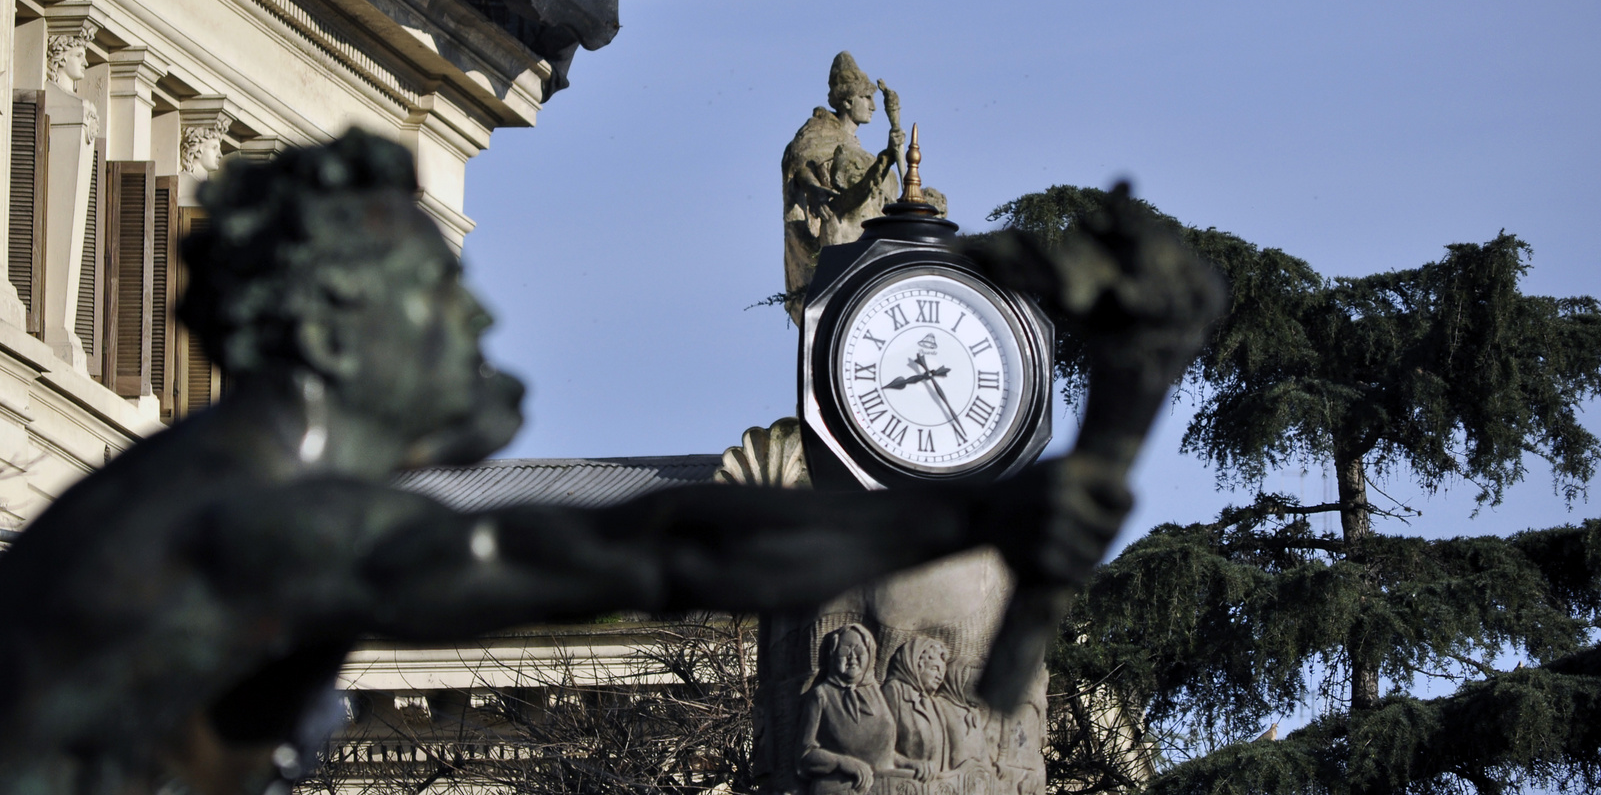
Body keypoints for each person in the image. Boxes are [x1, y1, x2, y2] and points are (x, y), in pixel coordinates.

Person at [0, 130, 1139, 795]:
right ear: (341, 328)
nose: (479, 328)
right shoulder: (258, 516)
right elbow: (611, 545)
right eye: (437, 296)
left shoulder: (234, 498)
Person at [783, 52, 946, 324]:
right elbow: (801, 164)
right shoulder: (818, 132)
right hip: (839, 241)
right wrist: (813, 188)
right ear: (848, 101)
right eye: (866, 98)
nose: (873, 106)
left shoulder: (857, 151)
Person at [798, 624, 898, 795]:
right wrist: (842, 763)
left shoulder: (877, 693)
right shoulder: (821, 695)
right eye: (845, 650)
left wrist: (910, 764)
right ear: (833, 654)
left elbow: (883, 752)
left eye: (859, 651)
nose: (852, 657)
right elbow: (804, 755)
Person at [882, 636, 951, 780]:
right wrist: (909, 764)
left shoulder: (933, 704)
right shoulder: (894, 691)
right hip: (901, 782)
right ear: (915, 665)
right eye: (934, 669)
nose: (939, 677)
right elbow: (878, 747)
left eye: (942, 672)